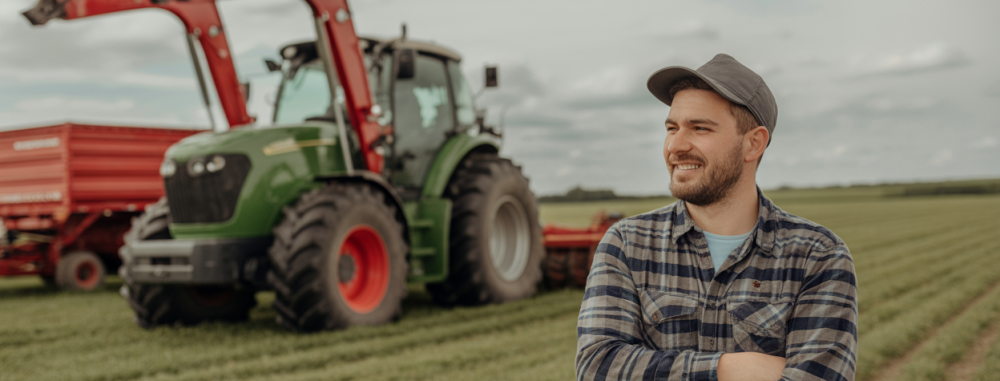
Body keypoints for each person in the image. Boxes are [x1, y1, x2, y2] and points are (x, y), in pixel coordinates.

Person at [575, 54, 857, 381]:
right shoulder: (627, 244)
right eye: (672, 128)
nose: (675, 146)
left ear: (753, 144)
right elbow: (598, 368)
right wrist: (729, 369)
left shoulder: (817, 256)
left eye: (699, 128)